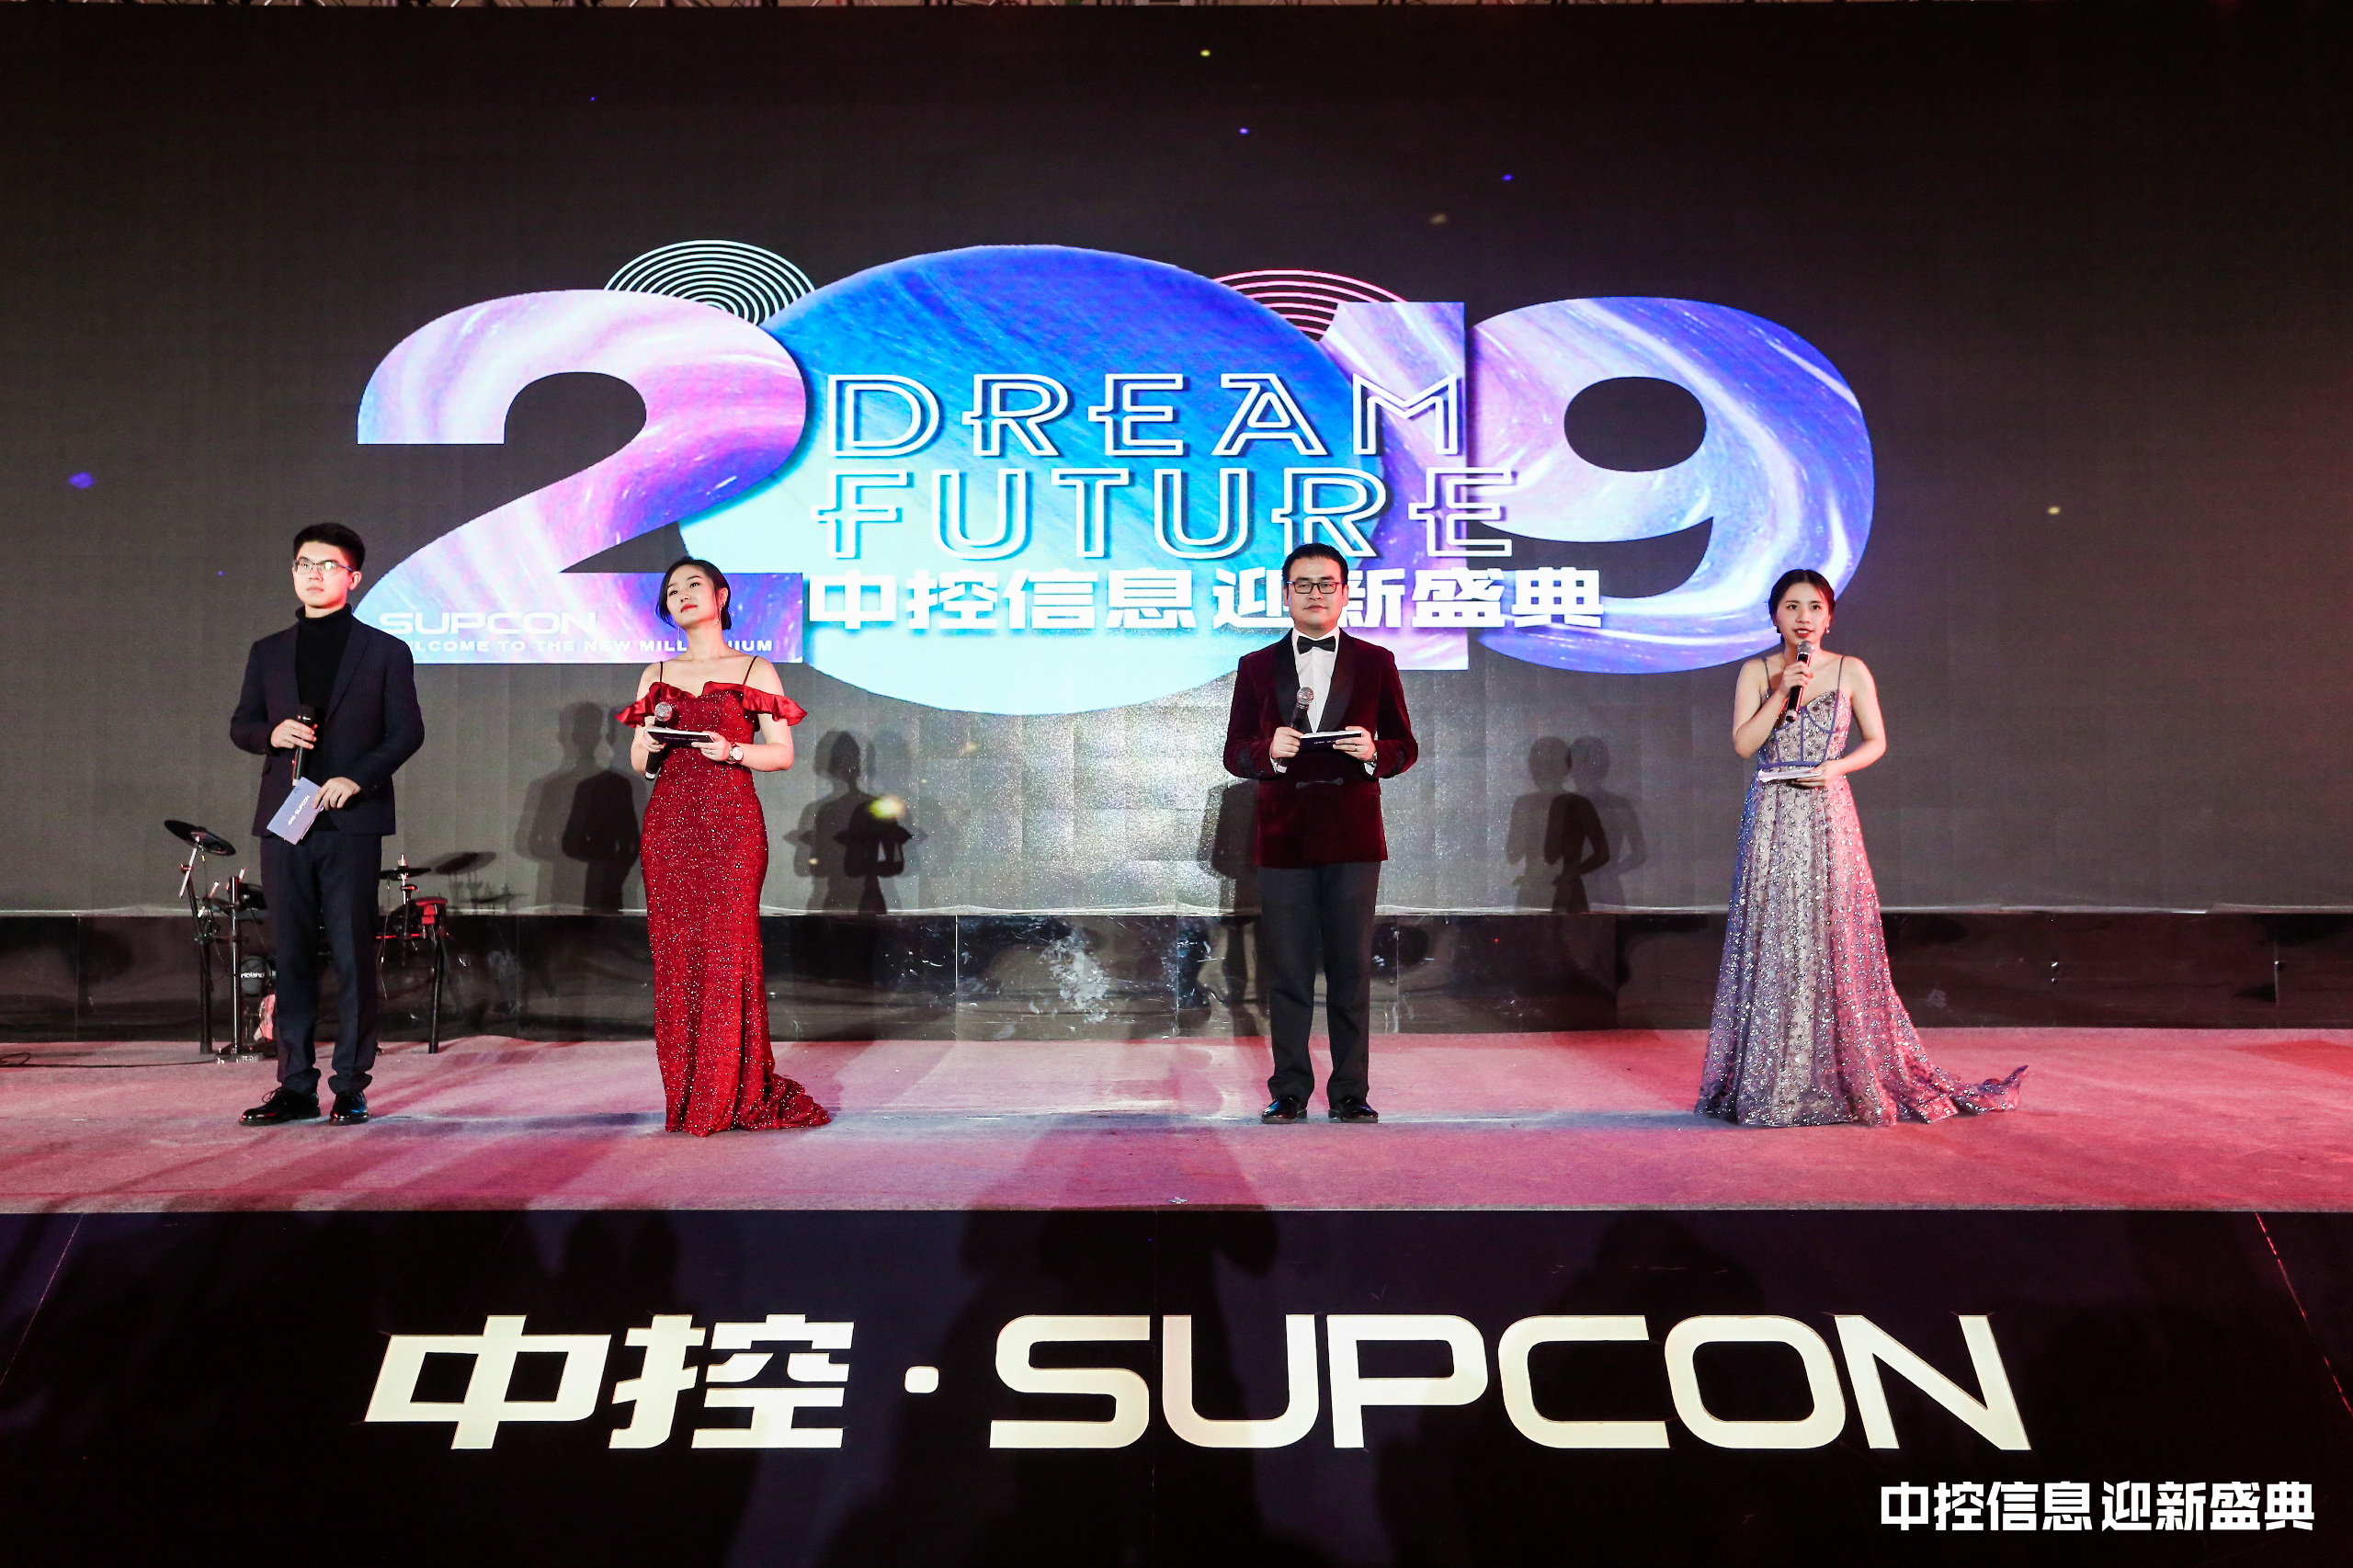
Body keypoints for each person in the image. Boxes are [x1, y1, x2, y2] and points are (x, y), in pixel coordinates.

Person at [1697, 569, 2025, 1126]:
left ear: (1829, 616)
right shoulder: (1756, 671)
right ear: (1774, 615)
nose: (1803, 617)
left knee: (1833, 929)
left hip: (1828, 809)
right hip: (1773, 810)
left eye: (1815, 607)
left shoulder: (1851, 669)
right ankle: (1771, 1077)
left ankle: (1839, 1071)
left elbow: (1876, 741)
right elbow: (1744, 745)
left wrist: (1835, 768)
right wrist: (1780, 692)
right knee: (1775, 932)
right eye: (1792, 606)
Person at [616, 558, 828, 1135]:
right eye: (672, 590)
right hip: (669, 824)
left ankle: (732, 1091)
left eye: (694, 585)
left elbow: (781, 753)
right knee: (677, 955)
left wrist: (731, 750)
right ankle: (689, 1094)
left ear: (721, 595)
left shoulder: (755, 668)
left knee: (729, 951)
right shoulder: (657, 672)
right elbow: (639, 760)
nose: (682, 594)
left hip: (731, 824)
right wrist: (652, 743)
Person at [229, 524, 425, 1128]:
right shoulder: (268, 651)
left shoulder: (384, 651)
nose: (314, 574)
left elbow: (406, 731)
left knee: (351, 953)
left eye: (328, 565)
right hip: (285, 821)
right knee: (289, 955)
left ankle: (350, 1085)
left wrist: (356, 779)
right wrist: (272, 734)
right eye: (304, 564)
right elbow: (242, 725)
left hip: (350, 821)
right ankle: (294, 1086)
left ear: (353, 577)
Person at [1222, 542, 1419, 1124]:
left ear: (1344, 592)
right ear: (1286, 594)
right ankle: (1288, 1090)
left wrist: (1374, 751)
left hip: (1352, 835)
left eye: (1326, 584)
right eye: (1304, 584)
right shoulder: (1257, 666)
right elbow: (1234, 752)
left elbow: (1405, 746)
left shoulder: (1376, 661)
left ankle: (1350, 1092)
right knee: (1286, 970)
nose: (1316, 594)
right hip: (1283, 836)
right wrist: (1268, 751)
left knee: (1351, 970)